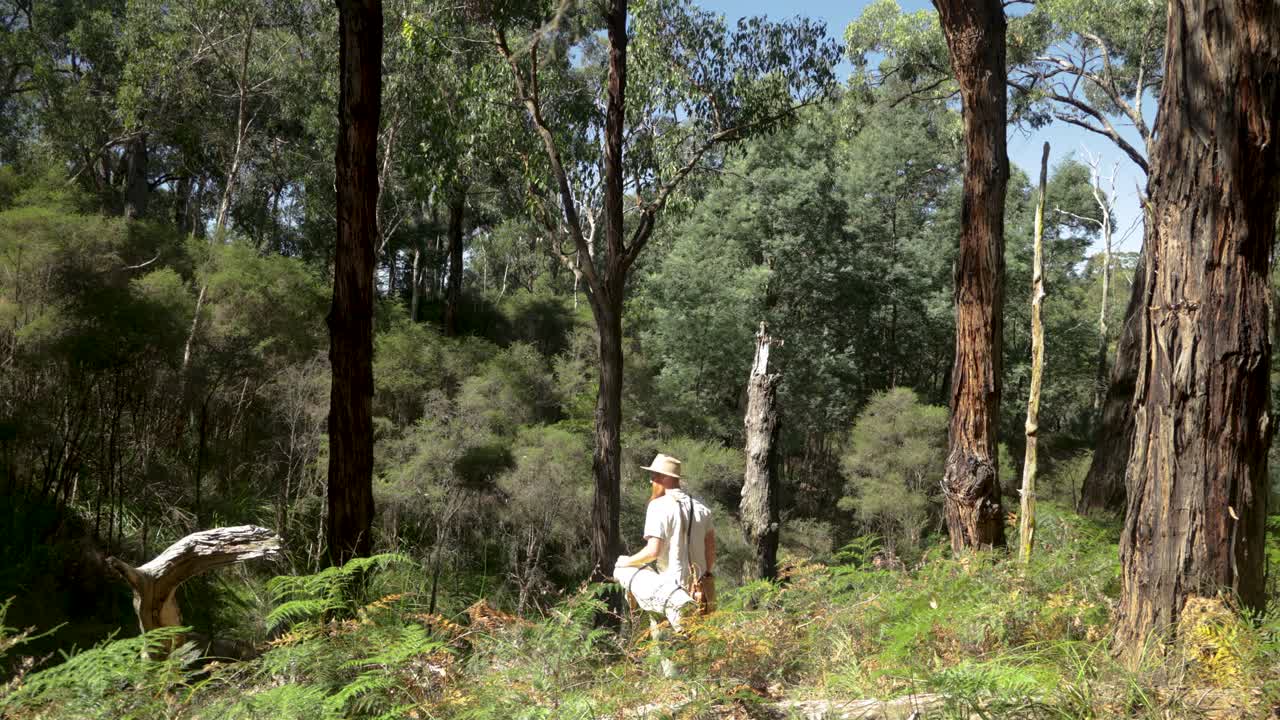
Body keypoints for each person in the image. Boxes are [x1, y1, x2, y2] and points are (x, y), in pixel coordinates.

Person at [616, 452, 717, 615]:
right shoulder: (702, 509)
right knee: (699, 639)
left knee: (622, 569)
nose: (651, 480)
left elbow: (653, 551)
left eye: (653, 476)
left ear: (663, 478)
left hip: (671, 591)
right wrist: (703, 576)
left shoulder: (658, 506)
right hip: (701, 592)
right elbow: (711, 552)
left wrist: (626, 562)